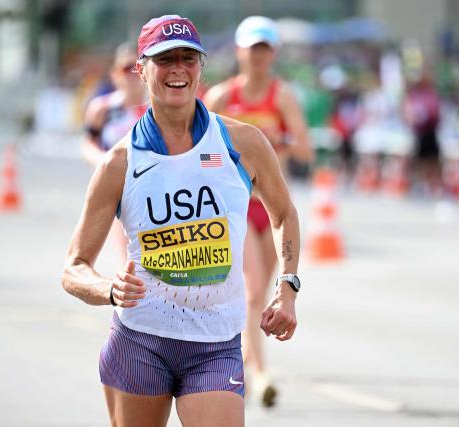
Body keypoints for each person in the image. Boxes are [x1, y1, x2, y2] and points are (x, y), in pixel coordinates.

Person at [61, 15, 302, 427]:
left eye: (187, 58)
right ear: (141, 69)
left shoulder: (242, 143)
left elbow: (284, 213)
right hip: (141, 341)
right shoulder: (119, 163)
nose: (177, 68)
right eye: (164, 58)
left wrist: (287, 287)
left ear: (201, 68)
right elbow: (73, 267)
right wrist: (108, 289)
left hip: (215, 343)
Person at [204, 16, 312, 407]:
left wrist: (274, 142)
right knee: (252, 293)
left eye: (265, 49)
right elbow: (196, 148)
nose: (259, 57)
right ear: (240, 52)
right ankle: (260, 373)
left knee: (265, 290)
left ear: (273, 55)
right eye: (253, 49)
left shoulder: (281, 98)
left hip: (271, 207)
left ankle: (247, 356)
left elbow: (305, 150)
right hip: (235, 209)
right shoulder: (221, 98)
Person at [82, 42, 148, 262]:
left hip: (151, 188)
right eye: (124, 69)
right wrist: (105, 162)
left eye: (134, 68)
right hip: (118, 189)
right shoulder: (102, 108)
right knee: (129, 258)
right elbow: (87, 144)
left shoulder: (155, 109)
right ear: (114, 75)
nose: (130, 75)